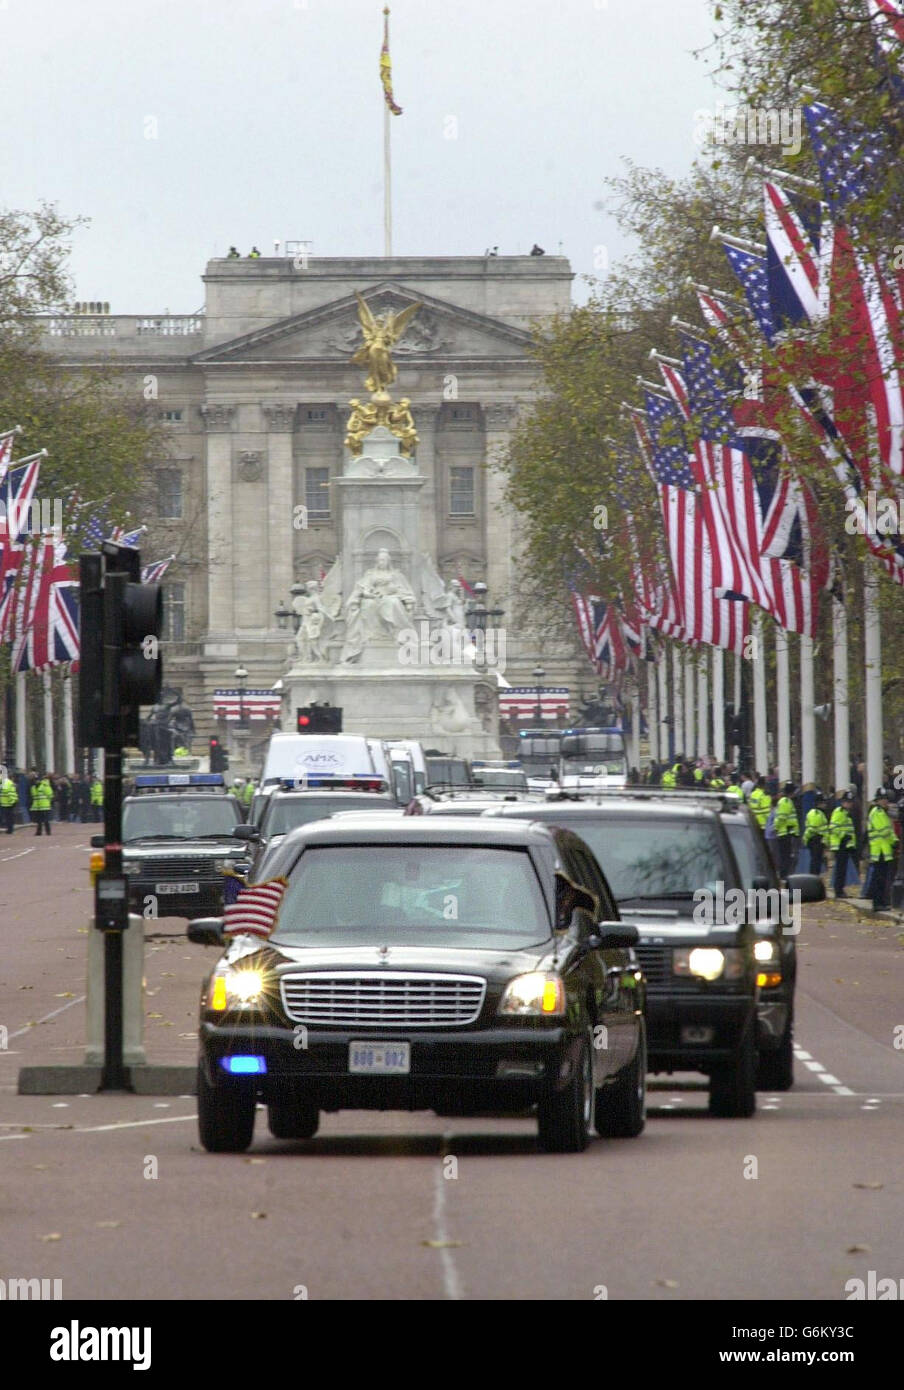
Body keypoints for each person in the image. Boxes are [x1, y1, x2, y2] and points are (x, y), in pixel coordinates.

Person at [866, 788, 899, 912]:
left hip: (884, 851)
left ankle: (882, 902)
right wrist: (893, 841)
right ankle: (877, 903)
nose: (885, 801)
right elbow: (884, 831)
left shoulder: (882, 812)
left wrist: (895, 840)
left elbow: (889, 831)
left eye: (886, 799)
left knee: (883, 878)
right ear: (877, 800)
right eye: (882, 799)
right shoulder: (877, 812)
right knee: (878, 879)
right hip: (879, 850)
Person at [829, 791, 857, 899]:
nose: (849, 804)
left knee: (842, 869)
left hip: (845, 846)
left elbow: (850, 832)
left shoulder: (847, 814)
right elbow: (833, 827)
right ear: (843, 802)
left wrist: (851, 845)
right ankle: (838, 890)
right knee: (840, 869)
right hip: (839, 845)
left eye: (850, 802)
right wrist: (843, 836)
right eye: (847, 802)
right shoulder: (838, 812)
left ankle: (840, 889)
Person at [773, 781, 800, 879]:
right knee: (785, 856)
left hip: (785, 832)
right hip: (785, 833)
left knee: (786, 855)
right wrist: (776, 828)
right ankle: (784, 875)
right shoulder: (785, 802)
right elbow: (782, 818)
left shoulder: (785, 801)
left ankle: (784, 874)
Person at [803, 794, 829, 876]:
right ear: (819, 803)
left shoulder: (818, 813)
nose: (825, 805)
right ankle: (813, 876)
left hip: (816, 840)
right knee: (815, 861)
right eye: (823, 803)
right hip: (816, 840)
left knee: (816, 860)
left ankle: (814, 876)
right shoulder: (817, 813)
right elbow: (814, 829)